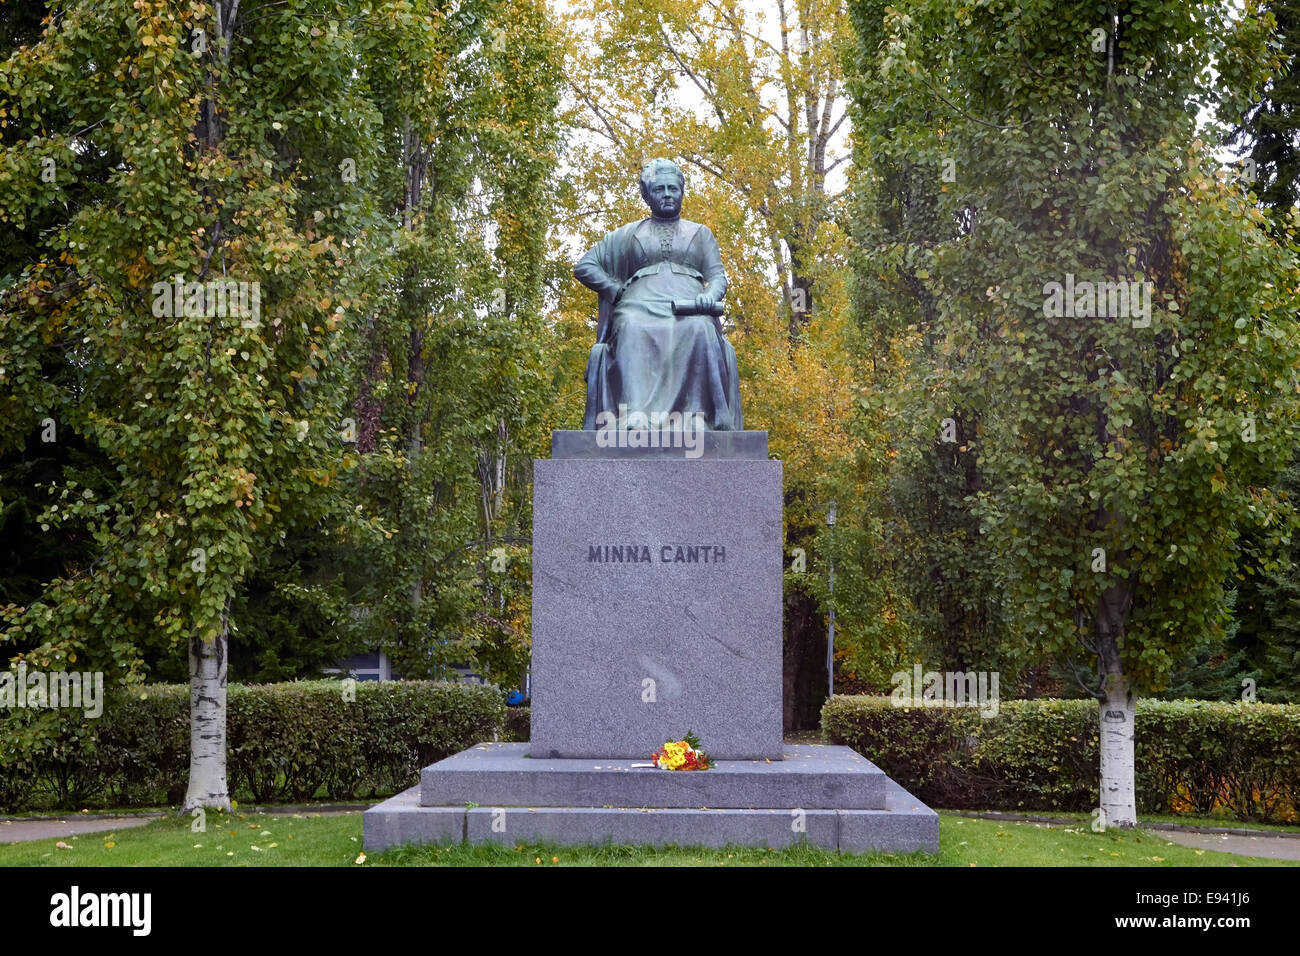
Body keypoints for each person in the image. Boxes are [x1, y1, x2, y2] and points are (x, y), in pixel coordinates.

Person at [575, 158, 744, 431]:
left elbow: (717, 277)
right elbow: (585, 266)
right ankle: (633, 413)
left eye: (673, 189)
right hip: (638, 306)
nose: (667, 194)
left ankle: (694, 417)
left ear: (682, 192)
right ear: (647, 195)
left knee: (701, 329)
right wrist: (615, 290)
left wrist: (709, 297)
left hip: (689, 308)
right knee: (629, 326)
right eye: (659, 189)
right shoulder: (628, 234)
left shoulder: (700, 234)